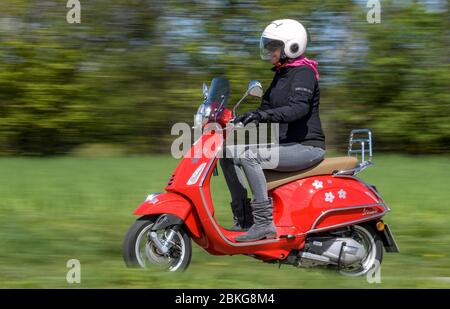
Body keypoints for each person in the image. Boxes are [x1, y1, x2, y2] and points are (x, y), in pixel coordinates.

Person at [219, 19, 326, 242]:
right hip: (285, 146)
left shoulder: (304, 73)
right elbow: (265, 109)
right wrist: (234, 119)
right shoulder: (282, 74)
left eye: (273, 46)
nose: (269, 50)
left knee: (250, 156)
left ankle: (264, 223)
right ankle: (244, 218)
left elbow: (298, 109)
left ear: (292, 46)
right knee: (227, 154)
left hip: (306, 146)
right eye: (267, 45)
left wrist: (262, 115)